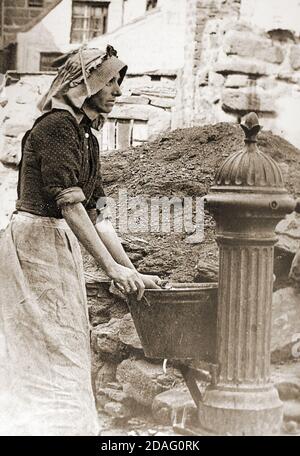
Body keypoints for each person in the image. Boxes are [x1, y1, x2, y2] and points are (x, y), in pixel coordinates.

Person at [0, 45, 161, 436]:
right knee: (45, 349)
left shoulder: (86, 138)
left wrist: (131, 271)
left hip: (57, 246)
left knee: (67, 345)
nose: (118, 92)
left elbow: (97, 215)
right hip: (34, 245)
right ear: (84, 84)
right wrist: (111, 270)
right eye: (110, 82)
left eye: (119, 82)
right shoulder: (55, 127)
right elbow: (70, 207)